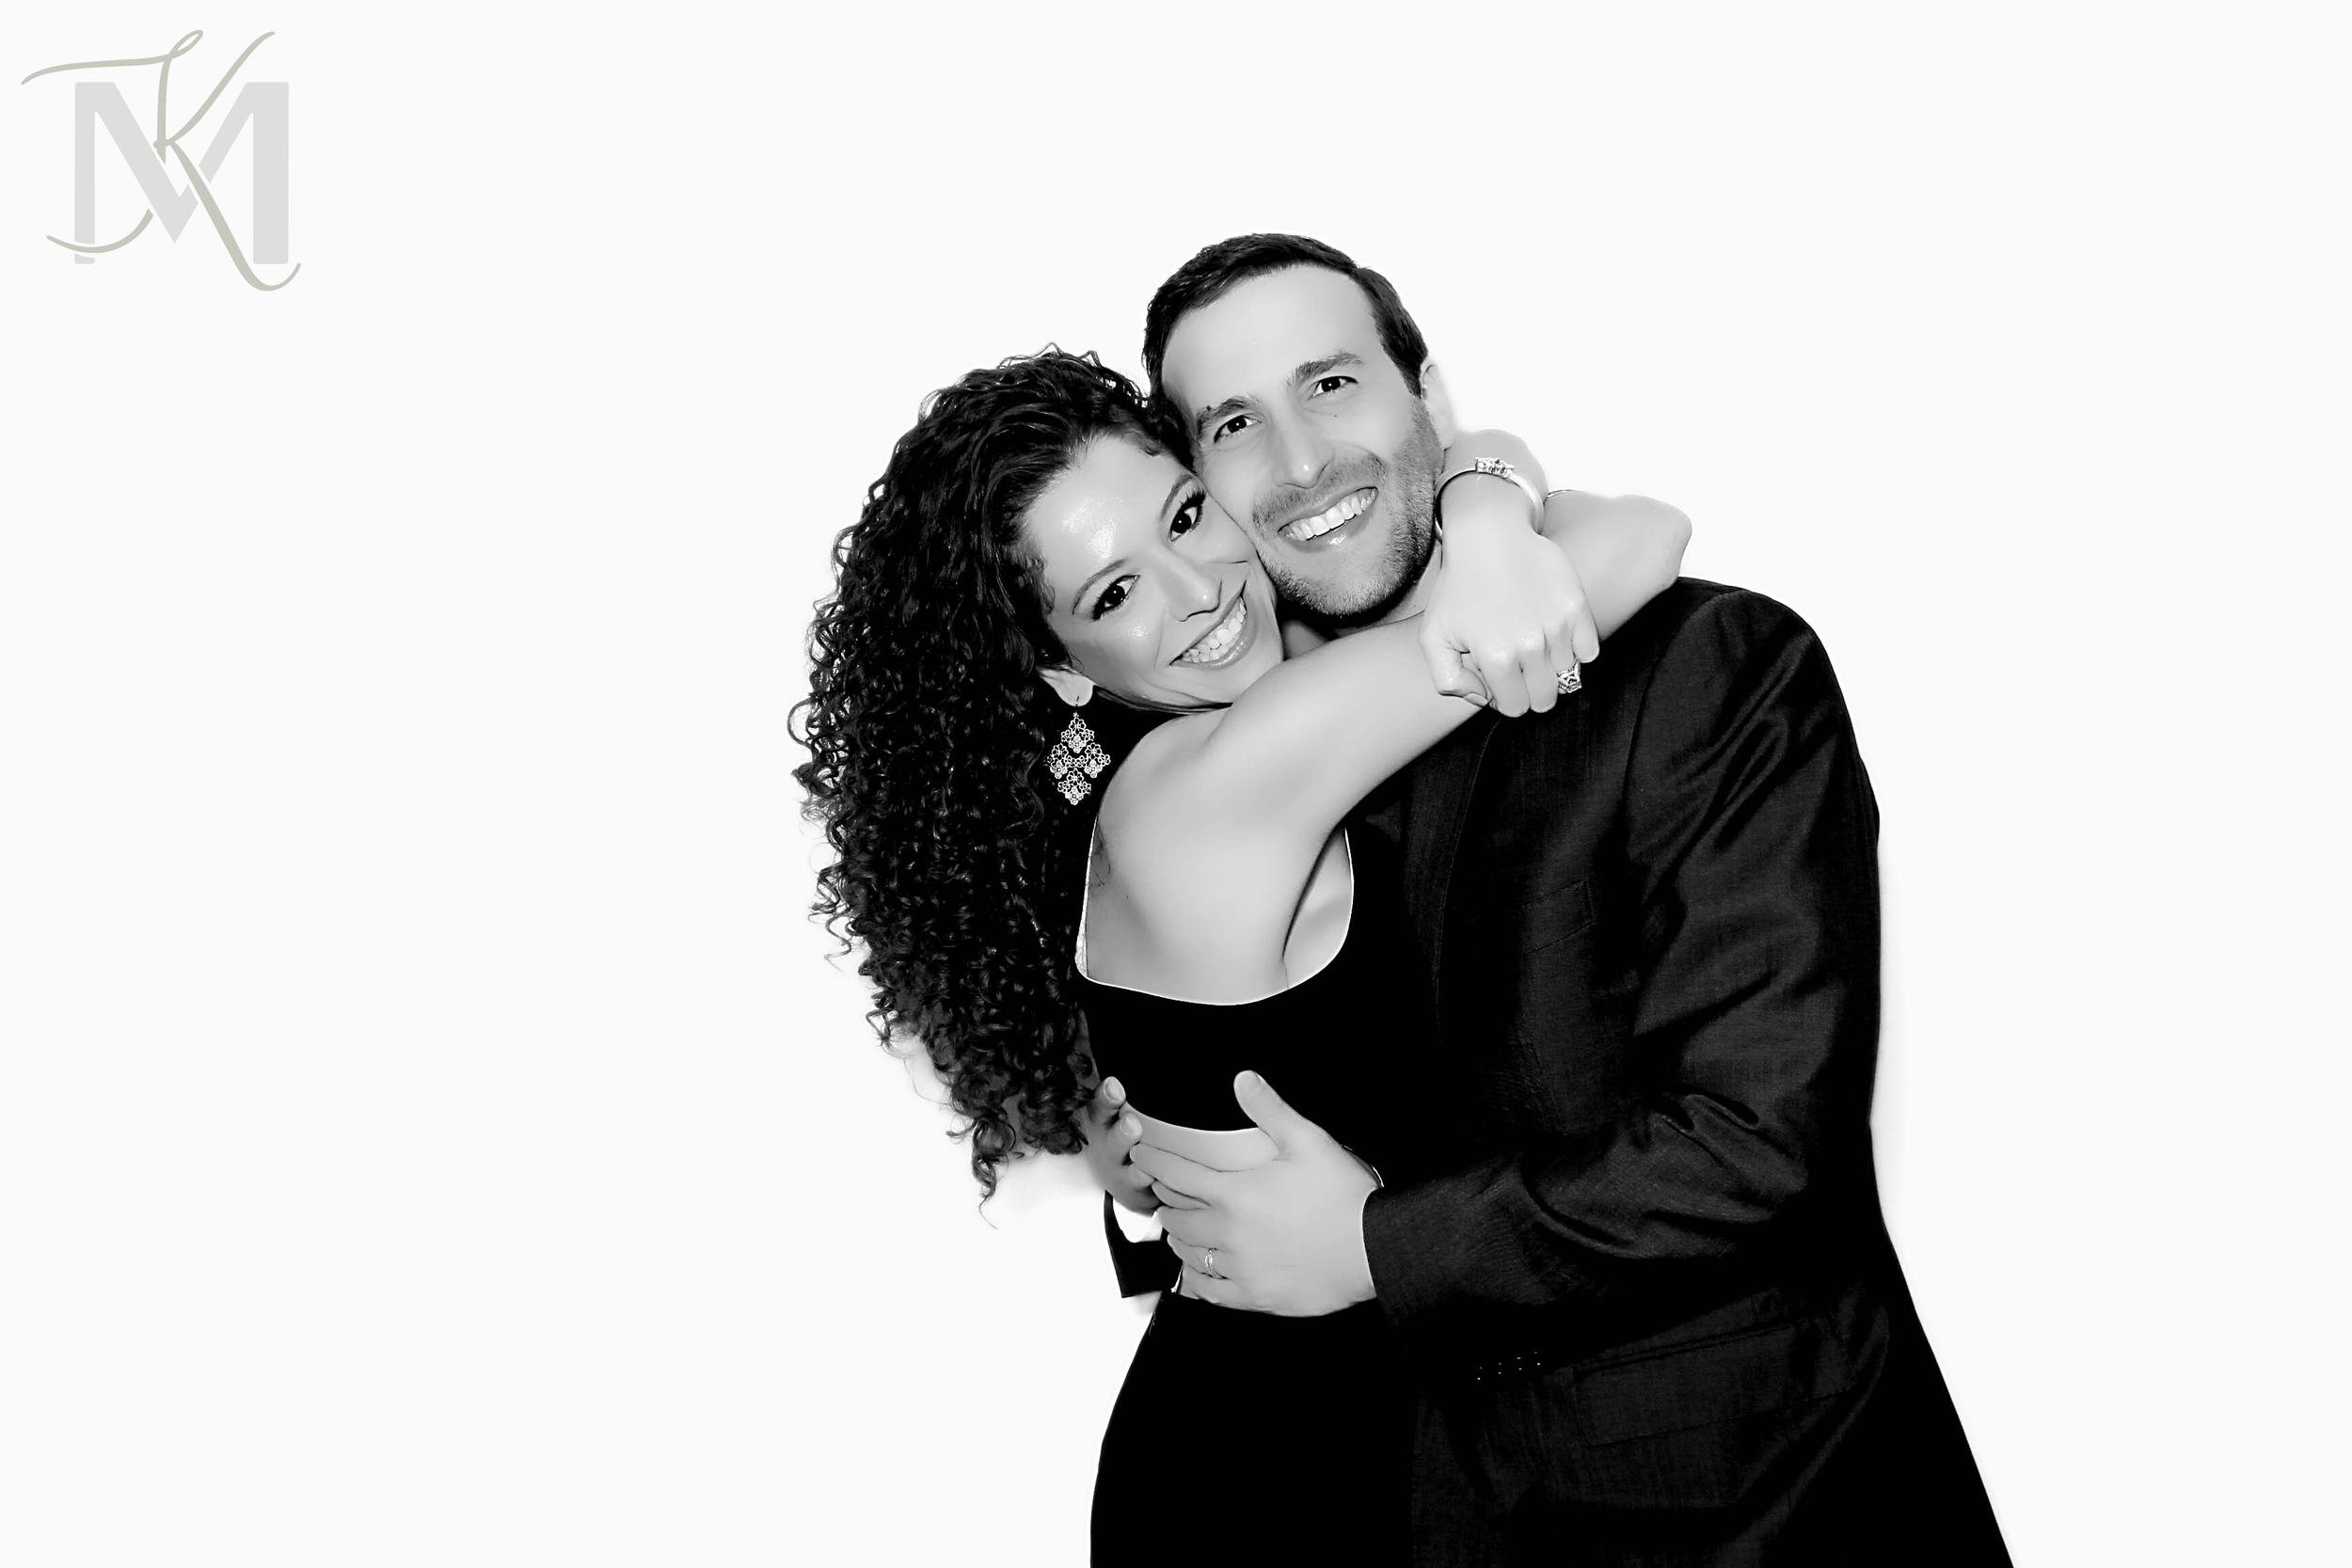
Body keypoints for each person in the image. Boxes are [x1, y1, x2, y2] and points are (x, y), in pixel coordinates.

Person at [1093, 233, 2011, 1563]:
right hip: (1390, 1505)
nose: (1297, 462)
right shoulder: (1234, 753)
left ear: (1428, 394)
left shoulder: (1707, 664)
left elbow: (1761, 1139)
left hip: (1753, 1512)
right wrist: (1153, 1161)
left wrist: (1375, 1244)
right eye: (1235, 424)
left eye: (1333, 383)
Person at [796, 347, 1690, 1564]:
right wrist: (1484, 499)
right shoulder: (1233, 776)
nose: (1201, 590)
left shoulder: (1130, 787)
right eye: (1115, 596)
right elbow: (1630, 545)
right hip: (1288, 1475)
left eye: (1184, 515)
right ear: (1061, 668)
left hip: (1311, 1434)